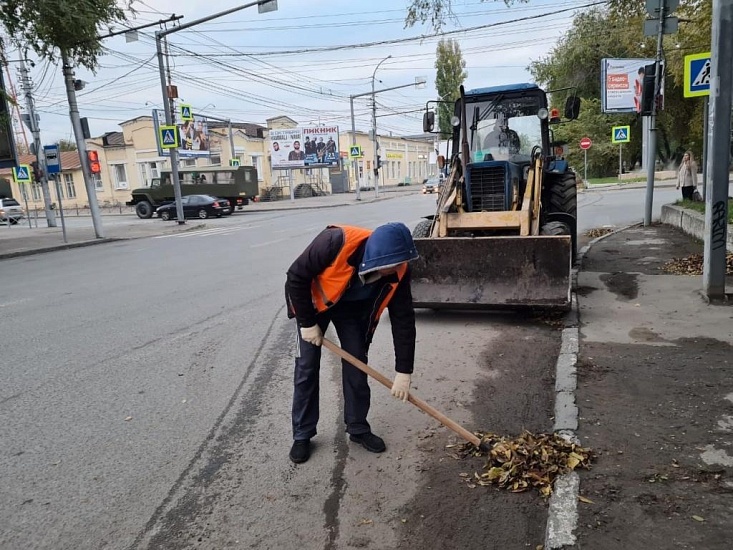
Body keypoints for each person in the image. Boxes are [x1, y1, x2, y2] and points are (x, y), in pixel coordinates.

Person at [285, 223, 419, 464]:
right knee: (306, 367)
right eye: (393, 265)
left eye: (401, 263)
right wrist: (306, 323)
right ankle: (302, 434)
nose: (398, 269)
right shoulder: (333, 241)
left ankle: (357, 427)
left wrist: (404, 371)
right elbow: (296, 276)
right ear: (376, 257)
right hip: (314, 305)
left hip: (351, 309)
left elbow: (404, 319)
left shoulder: (400, 269)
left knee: (357, 362)